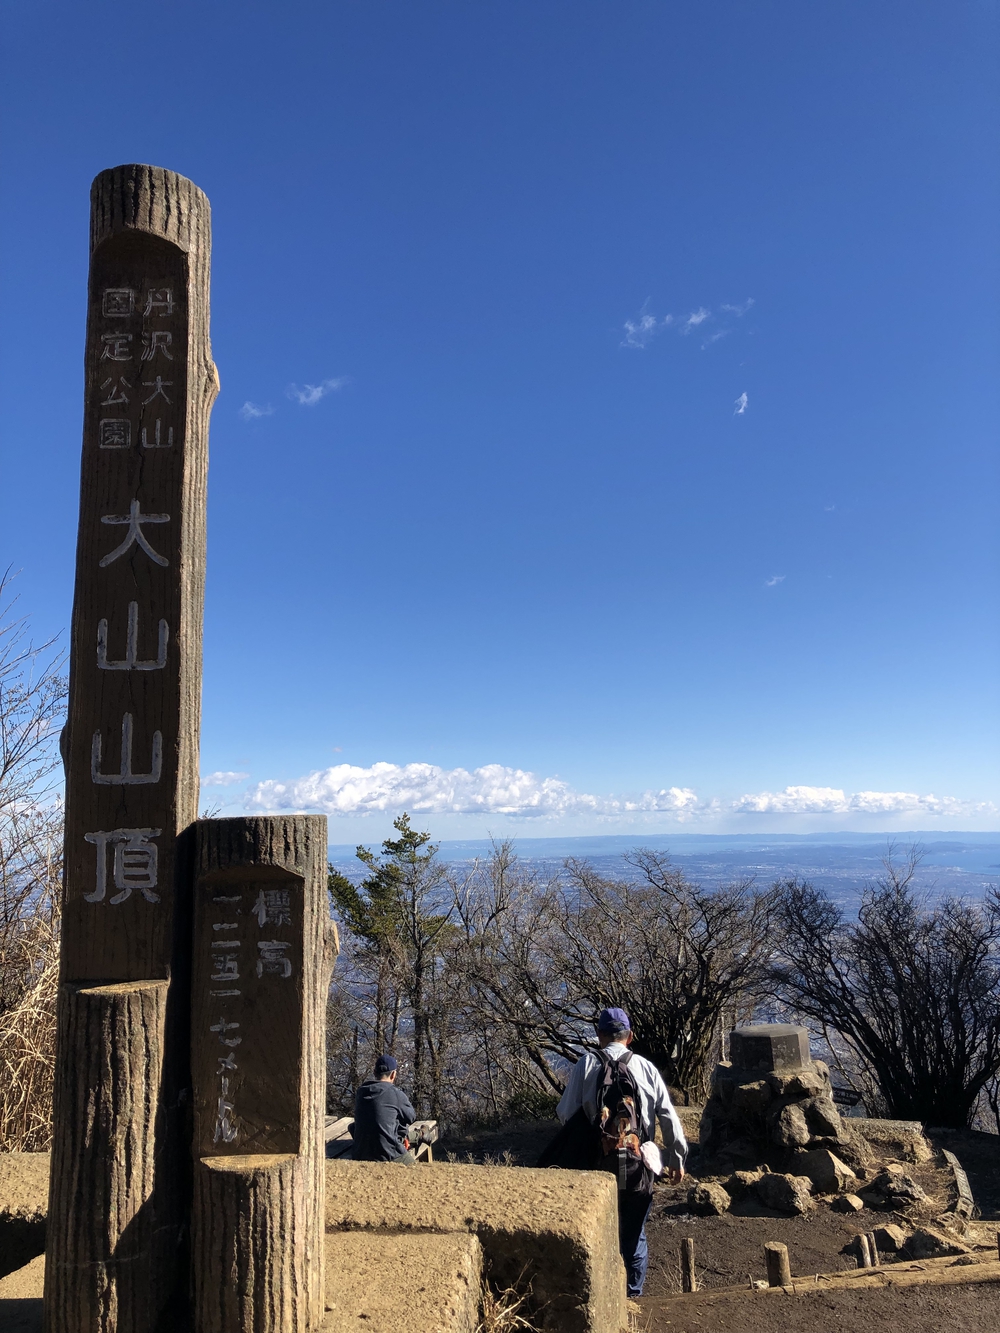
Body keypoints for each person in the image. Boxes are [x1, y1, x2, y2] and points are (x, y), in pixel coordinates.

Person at [556, 1007, 687, 1299]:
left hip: (596, 1167)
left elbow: (565, 1113)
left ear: (600, 1035)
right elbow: (668, 1116)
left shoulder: (586, 1064)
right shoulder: (646, 1068)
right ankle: (632, 1297)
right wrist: (677, 1159)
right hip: (638, 1168)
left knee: (599, 1231)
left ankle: (602, 1297)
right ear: (629, 1037)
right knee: (634, 1235)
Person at [351, 1054, 418, 1163]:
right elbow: (411, 1117)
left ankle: (415, 1136)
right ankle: (417, 1136)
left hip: (360, 1153)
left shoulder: (361, 1092)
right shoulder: (395, 1093)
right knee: (414, 1170)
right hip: (388, 1154)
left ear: (374, 1072)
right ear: (393, 1074)